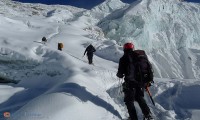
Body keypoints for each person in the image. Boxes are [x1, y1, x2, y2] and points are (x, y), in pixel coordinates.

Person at [116, 42, 153, 120]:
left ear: (124, 49)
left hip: (130, 83)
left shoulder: (124, 58)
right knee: (139, 97)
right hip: (141, 82)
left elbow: (120, 73)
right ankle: (148, 115)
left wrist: (120, 74)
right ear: (132, 48)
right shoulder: (140, 56)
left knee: (129, 101)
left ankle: (133, 118)